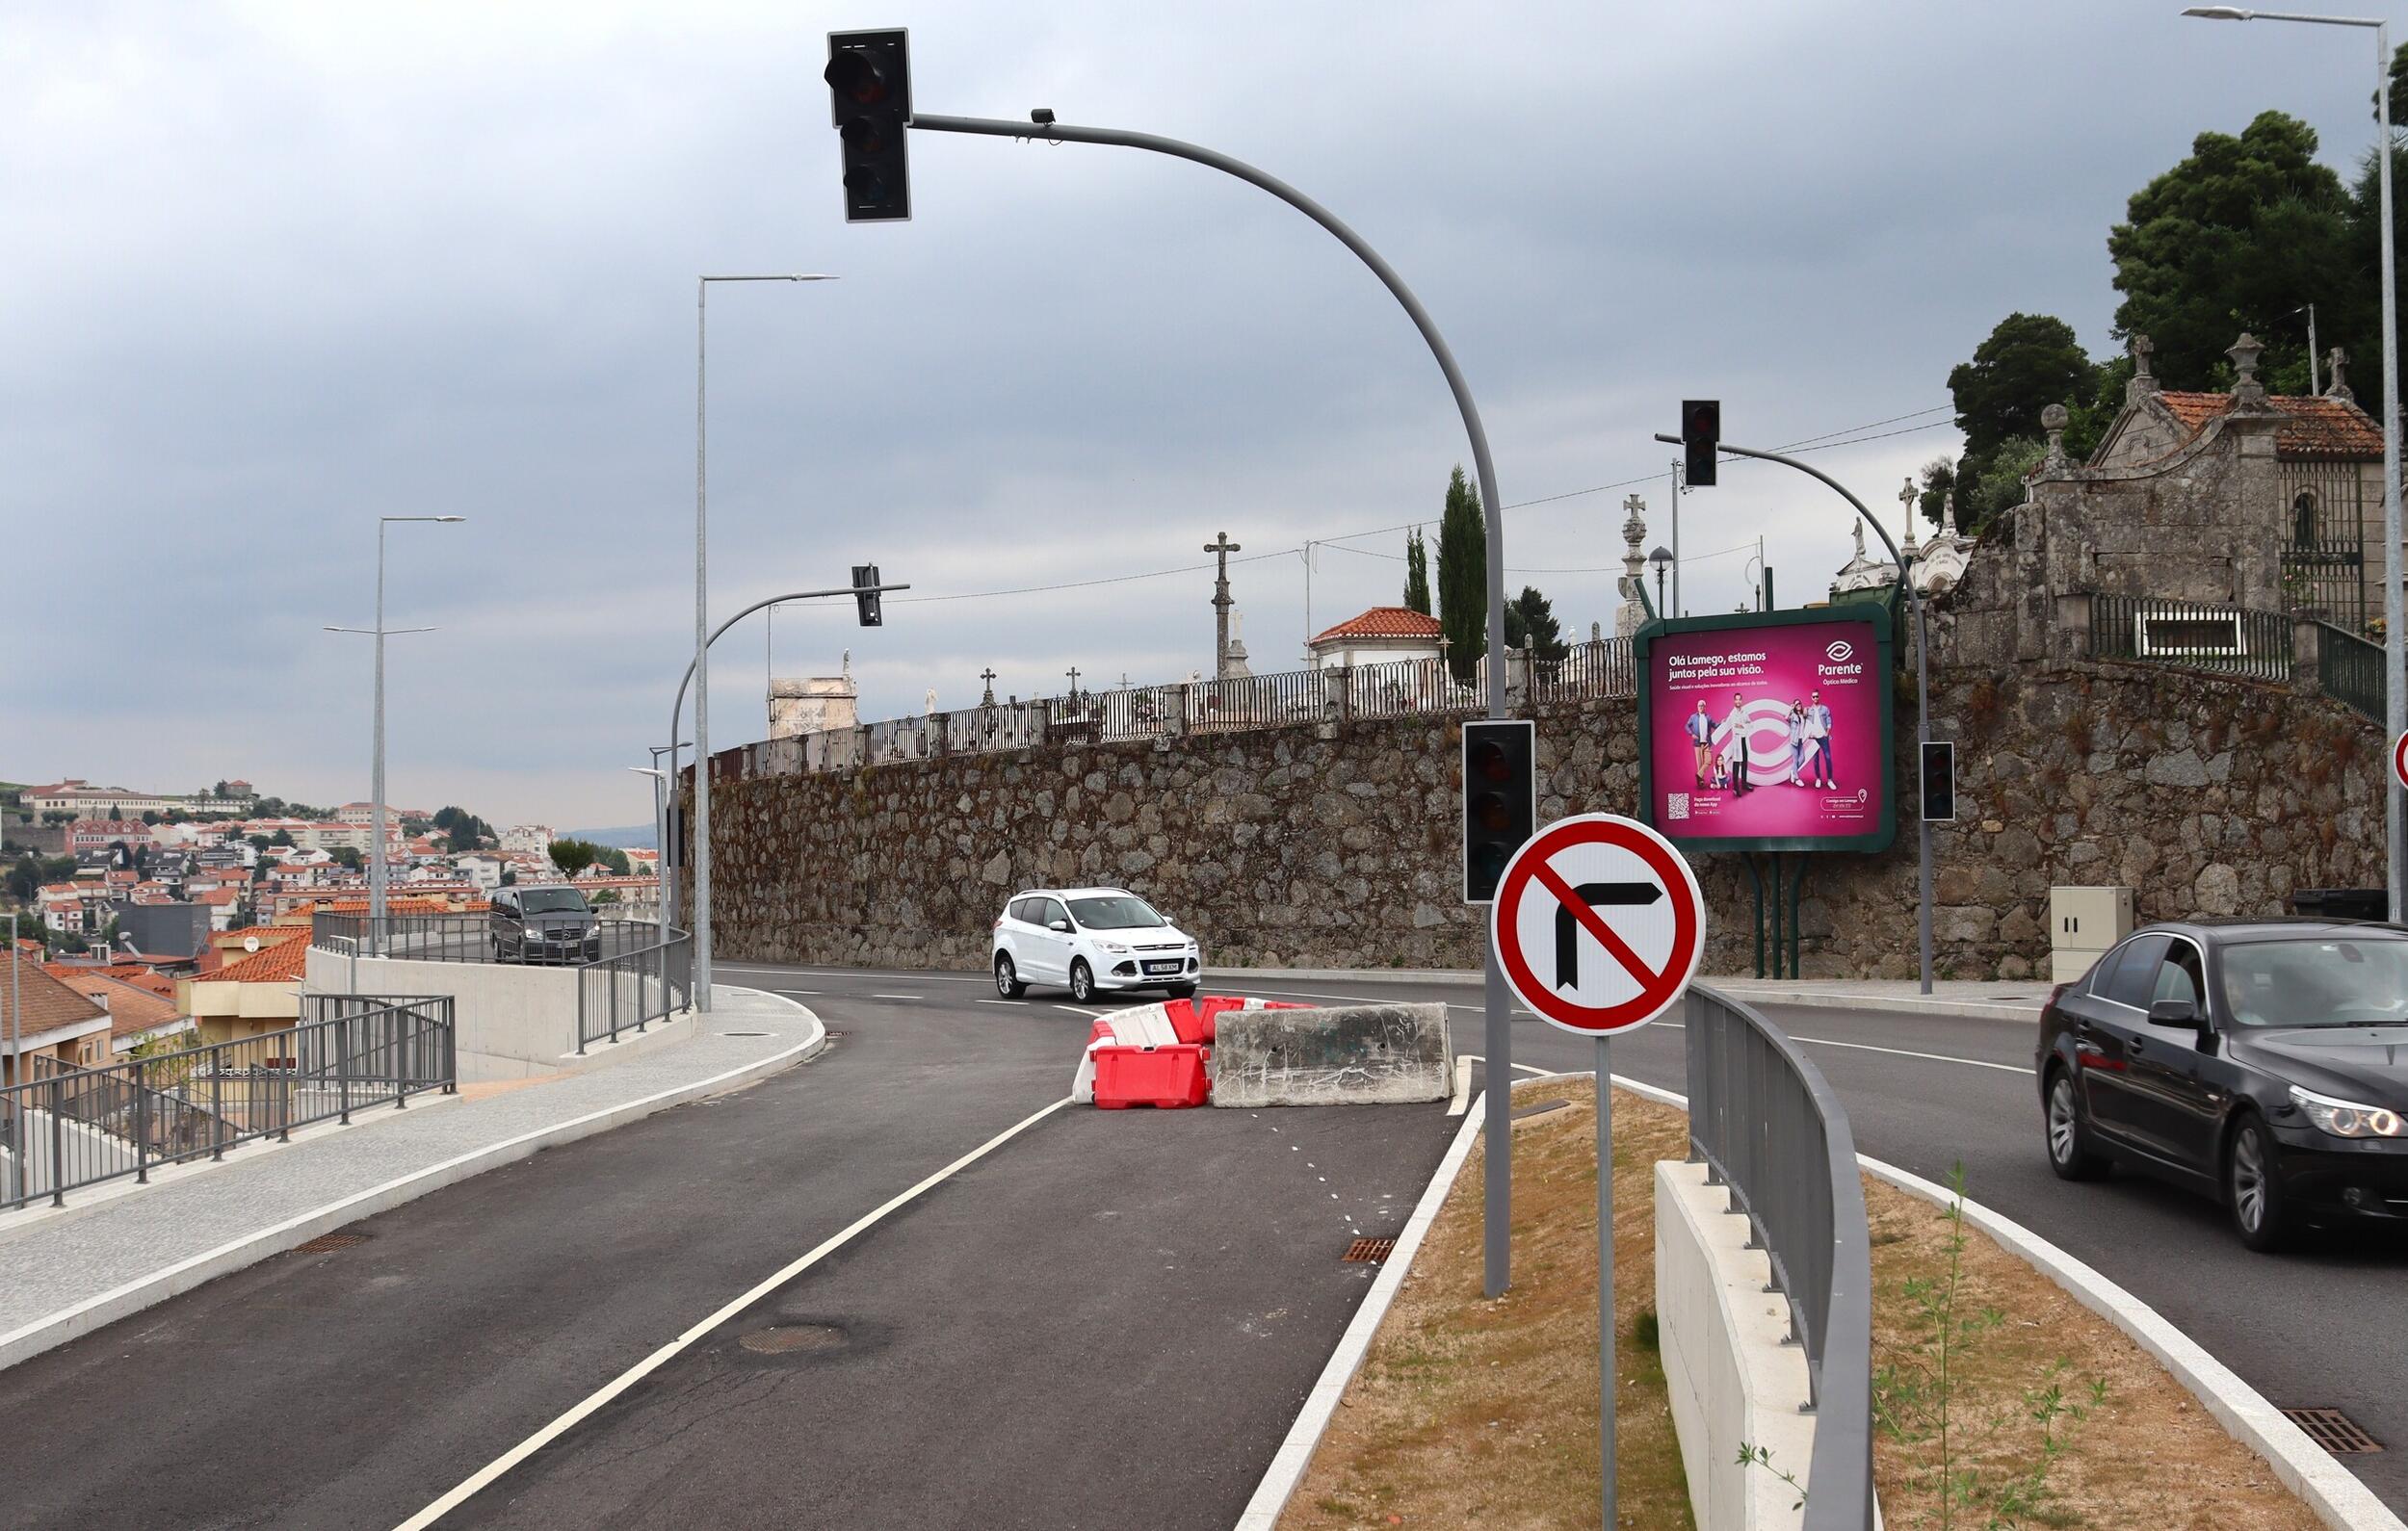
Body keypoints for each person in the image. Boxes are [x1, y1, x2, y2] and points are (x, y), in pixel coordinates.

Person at [1722, 690, 1753, 794]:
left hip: (1744, 739)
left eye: (1740, 699)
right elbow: (1735, 727)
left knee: (1745, 761)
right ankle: (1736, 787)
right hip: (1737, 740)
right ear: (1734, 701)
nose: (1738, 701)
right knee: (1736, 762)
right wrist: (1743, 726)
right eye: (1736, 699)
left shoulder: (1744, 711)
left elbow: (1750, 724)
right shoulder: (1733, 713)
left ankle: (1744, 783)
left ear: (1742, 700)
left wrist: (1743, 726)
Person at [1805, 688, 1834, 788]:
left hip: (1823, 736)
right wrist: (1809, 734)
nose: (1815, 698)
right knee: (1816, 760)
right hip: (1814, 738)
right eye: (1813, 697)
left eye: (1817, 696)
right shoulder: (1808, 710)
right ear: (1811, 698)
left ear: (1819, 697)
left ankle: (1830, 780)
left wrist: (1827, 733)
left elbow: (1829, 721)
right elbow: (1805, 723)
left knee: (1828, 758)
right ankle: (1818, 779)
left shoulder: (1825, 709)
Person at [1685, 699, 1714, 788]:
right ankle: (1700, 782)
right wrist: (1691, 734)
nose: (1700, 707)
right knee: (1700, 763)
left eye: (1702, 705)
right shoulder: (1693, 717)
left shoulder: (1708, 717)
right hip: (1697, 743)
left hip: (1707, 743)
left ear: (1705, 707)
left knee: (1709, 761)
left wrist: (1722, 723)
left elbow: (1714, 725)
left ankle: (1698, 775)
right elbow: (1686, 725)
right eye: (1699, 706)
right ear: (1697, 707)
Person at [1785, 700, 1809, 785]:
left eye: (1799, 703)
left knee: (1802, 759)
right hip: (1794, 741)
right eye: (1796, 704)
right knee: (1795, 760)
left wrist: (1807, 709)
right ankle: (1797, 779)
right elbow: (1786, 718)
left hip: (1800, 740)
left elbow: (1810, 714)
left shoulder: (1803, 715)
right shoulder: (1793, 716)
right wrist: (1790, 709)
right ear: (1794, 706)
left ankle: (1792, 771)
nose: (1798, 705)